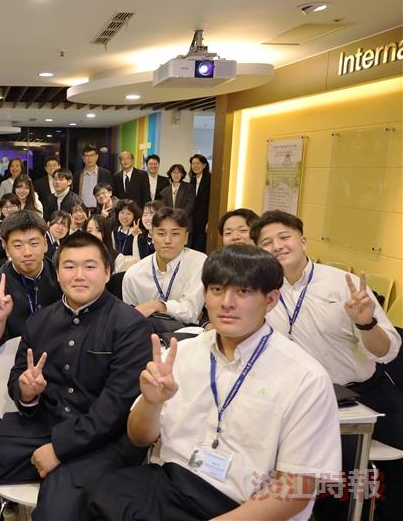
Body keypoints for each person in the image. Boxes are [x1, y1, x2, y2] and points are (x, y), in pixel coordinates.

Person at [84, 245, 342, 521]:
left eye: (243, 292)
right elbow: (138, 438)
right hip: (169, 485)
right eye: (217, 290)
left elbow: (295, 491)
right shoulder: (181, 354)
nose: (226, 302)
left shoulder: (305, 377)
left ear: (271, 300)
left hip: (242, 506)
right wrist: (151, 403)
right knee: (94, 495)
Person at [0, 232, 152, 521]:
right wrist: (27, 393)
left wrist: (59, 449)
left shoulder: (130, 326)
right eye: (69, 267)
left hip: (103, 444)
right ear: (57, 273)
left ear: (107, 273)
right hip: (41, 426)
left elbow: (116, 407)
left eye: (90, 266)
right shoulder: (40, 320)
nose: (79, 275)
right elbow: (19, 375)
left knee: (57, 512)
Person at [251, 210, 402, 520]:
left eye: (284, 237)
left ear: (303, 241)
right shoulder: (261, 291)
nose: (277, 246)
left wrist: (366, 323)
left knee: (358, 472)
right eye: (267, 242)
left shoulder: (341, 283)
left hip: (359, 393)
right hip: (298, 399)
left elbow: (387, 351)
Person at [0, 210, 62, 361]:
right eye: (18, 245)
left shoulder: (63, 277)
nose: (27, 252)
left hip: (58, 359)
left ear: (45, 245)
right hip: (10, 363)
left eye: (34, 243)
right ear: (7, 249)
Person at [122, 207, 207, 325]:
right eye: (161, 233)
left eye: (175, 233)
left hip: (188, 337)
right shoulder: (133, 275)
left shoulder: (199, 263)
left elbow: (192, 312)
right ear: (151, 235)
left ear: (186, 237)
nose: (168, 240)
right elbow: (129, 319)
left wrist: (158, 306)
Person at [73, 146, 113, 211]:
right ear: (83, 158)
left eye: (92, 155)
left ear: (97, 157)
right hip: (82, 210)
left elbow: (110, 193)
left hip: (101, 209)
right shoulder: (77, 175)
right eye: (86, 156)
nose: (89, 159)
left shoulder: (106, 174)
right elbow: (74, 193)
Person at [0, 193, 21, 273]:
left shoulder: (25, 226)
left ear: (19, 207)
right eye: (5, 207)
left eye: (12, 206)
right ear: (1, 210)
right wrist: (3, 243)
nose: (9, 210)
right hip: (2, 267)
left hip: (21, 264)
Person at [188, 153, 212, 253]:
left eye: (198, 163)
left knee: (200, 247)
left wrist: (209, 221)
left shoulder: (210, 179)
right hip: (193, 221)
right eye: (193, 163)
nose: (195, 166)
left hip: (204, 220)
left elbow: (211, 202)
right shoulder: (192, 180)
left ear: (204, 165)